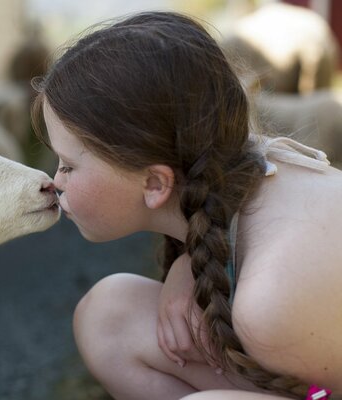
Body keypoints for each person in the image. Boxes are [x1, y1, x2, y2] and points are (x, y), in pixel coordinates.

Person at [32, 11, 342, 400]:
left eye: (69, 166)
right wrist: (188, 265)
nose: (54, 181)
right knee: (109, 318)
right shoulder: (239, 171)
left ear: (156, 183)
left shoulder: (270, 300)